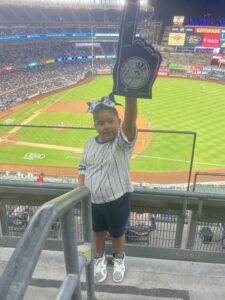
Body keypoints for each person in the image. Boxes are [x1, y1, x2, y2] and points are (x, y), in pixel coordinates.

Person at [77, 93, 137, 283]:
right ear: (95, 126)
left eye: (110, 121)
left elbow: (130, 120)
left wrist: (131, 96)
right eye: (101, 123)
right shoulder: (89, 143)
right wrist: (80, 184)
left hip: (118, 199)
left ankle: (119, 258)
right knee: (97, 232)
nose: (106, 126)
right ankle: (99, 258)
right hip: (93, 201)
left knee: (117, 234)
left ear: (118, 122)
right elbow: (83, 165)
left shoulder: (121, 142)